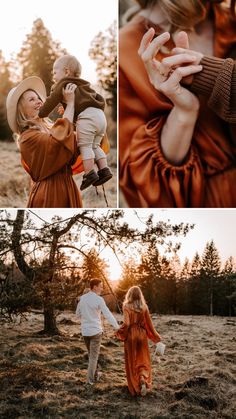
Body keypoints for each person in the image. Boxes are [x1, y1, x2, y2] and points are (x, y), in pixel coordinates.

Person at [119, 0, 236, 208]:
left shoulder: (228, 17)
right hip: (211, 203)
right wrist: (184, 112)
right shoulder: (125, 48)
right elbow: (144, 180)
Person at [39, 55, 113, 191]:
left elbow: (50, 102)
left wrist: (41, 113)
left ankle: (89, 174)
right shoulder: (84, 84)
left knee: (84, 145)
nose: (53, 76)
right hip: (100, 117)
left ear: (66, 72)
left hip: (87, 117)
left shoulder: (62, 84)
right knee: (95, 145)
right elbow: (96, 99)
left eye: (55, 72)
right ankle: (104, 170)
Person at [6, 76, 82, 208]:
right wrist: (70, 105)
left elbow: (73, 147)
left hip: (68, 186)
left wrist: (76, 116)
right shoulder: (27, 137)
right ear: (21, 110)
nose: (39, 101)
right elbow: (58, 143)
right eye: (31, 99)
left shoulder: (51, 129)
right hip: (50, 192)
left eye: (38, 98)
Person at [116, 286, 161, 396]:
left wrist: (119, 331)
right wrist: (156, 336)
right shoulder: (144, 307)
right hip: (142, 334)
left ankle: (135, 386)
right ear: (140, 295)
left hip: (131, 335)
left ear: (129, 295)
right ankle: (142, 378)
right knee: (143, 360)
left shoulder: (126, 306)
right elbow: (149, 324)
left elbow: (126, 323)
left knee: (132, 361)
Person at [75, 279, 119, 385]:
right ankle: (90, 381)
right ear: (94, 287)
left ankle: (95, 376)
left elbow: (77, 315)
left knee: (92, 356)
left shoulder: (82, 298)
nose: (102, 288)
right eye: (100, 286)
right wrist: (117, 326)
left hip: (85, 332)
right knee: (93, 357)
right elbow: (107, 314)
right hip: (95, 332)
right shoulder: (99, 300)